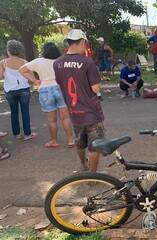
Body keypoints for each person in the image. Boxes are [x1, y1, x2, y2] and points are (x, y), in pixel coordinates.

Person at [53, 29, 105, 172]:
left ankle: (83, 165)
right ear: (82, 42)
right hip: (91, 112)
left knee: (80, 142)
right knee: (95, 144)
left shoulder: (57, 63)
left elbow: (60, 84)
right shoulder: (87, 62)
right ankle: (93, 176)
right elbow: (95, 89)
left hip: (74, 111)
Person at [20, 42, 74, 148]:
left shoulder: (38, 61)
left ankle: (54, 141)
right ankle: (70, 140)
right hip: (61, 88)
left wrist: (35, 81)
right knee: (65, 118)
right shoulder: (63, 60)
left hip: (45, 90)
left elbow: (22, 70)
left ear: (44, 51)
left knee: (51, 120)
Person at [0, 40, 36, 141]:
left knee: (14, 112)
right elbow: (31, 78)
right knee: (25, 112)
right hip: (24, 89)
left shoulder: (3, 62)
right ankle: (27, 134)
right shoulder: (25, 62)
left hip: (10, 90)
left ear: (8, 51)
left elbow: (0, 77)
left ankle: (17, 134)